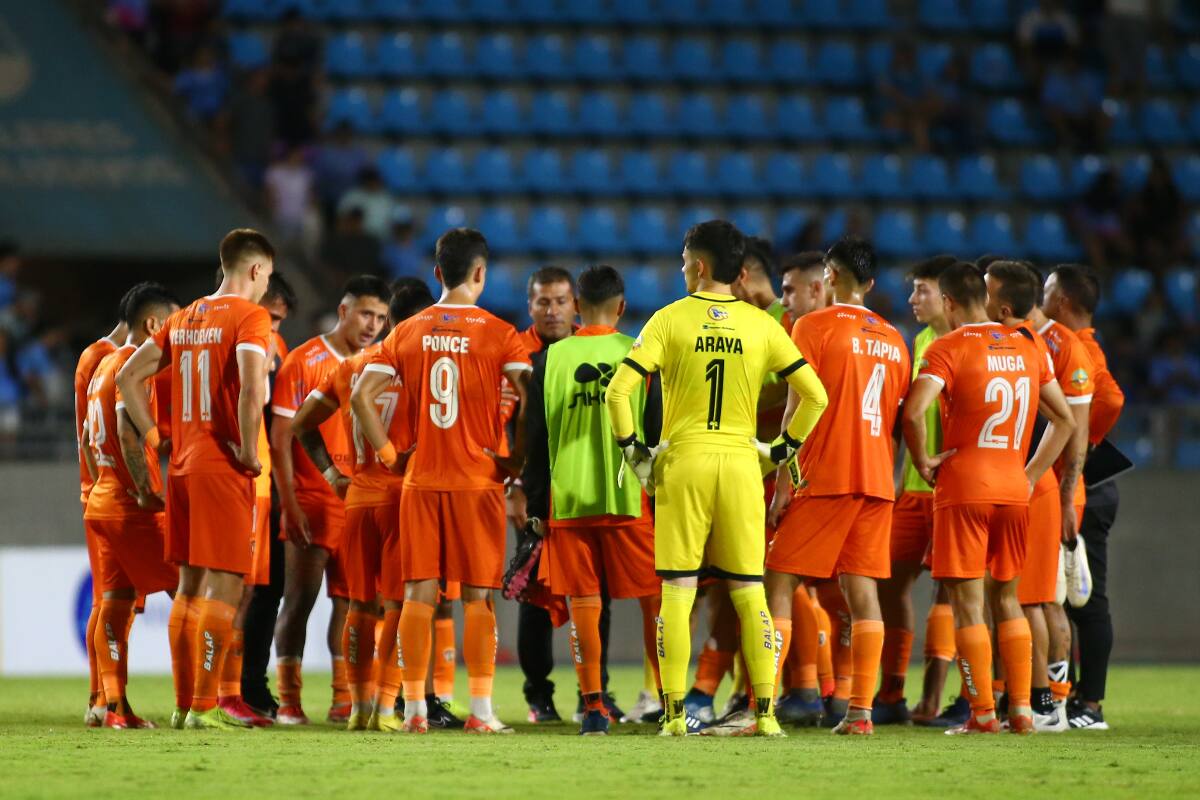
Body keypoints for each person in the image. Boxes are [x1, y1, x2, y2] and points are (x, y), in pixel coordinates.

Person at [604, 219, 828, 737]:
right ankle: (767, 715)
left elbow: (619, 393)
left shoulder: (668, 319)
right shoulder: (763, 325)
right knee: (750, 592)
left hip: (685, 463)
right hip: (742, 466)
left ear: (699, 266)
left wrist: (636, 455)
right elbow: (815, 395)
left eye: (685, 263)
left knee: (678, 592)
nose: (683, 271)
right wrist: (781, 451)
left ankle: (675, 717)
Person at [352, 227, 533, 734]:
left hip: (421, 481)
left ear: (437, 273)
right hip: (477, 480)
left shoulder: (406, 331)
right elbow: (529, 394)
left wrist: (390, 455)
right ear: (480, 273)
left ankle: (411, 712)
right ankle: (479, 712)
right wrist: (515, 458)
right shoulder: (500, 332)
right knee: (477, 598)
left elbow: (361, 397)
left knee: (417, 595)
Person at [901, 262, 1074, 735]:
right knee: (1009, 600)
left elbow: (914, 412)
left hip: (964, 488)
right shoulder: (1026, 345)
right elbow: (1065, 421)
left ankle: (981, 714)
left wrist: (923, 461)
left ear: (950, 302)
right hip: (1013, 491)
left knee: (968, 605)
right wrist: (1030, 474)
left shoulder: (947, 347)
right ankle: (1021, 711)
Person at [117, 228, 275, 729]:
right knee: (225, 586)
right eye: (267, 275)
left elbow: (127, 379)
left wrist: (157, 438)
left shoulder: (184, 316)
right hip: (221, 469)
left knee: (188, 590)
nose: (267, 285)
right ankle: (206, 705)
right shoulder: (250, 317)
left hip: (183, 468)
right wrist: (250, 453)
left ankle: (186, 703)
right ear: (255, 270)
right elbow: (252, 391)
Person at [764, 236, 911, 737]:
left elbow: (795, 406)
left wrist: (783, 483)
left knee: (778, 580)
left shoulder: (812, 325)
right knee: (862, 590)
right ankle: (861, 712)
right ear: (870, 283)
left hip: (825, 474)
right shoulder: (895, 338)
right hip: (877, 478)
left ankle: (764, 708)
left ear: (829, 276)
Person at [293, 278, 443, 732]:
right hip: (403, 498)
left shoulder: (352, 367)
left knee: (358, 605)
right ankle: (385, 705)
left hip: (356, 498)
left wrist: (332, 474)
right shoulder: (425, 368)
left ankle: (357, 707)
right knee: (398, 606)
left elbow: (301, 425)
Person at [523, 265, 663, 736]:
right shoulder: (641, 355)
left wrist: (538, 507)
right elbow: (658, 432)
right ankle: (670, 702)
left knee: (585, 603)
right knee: (656, 599)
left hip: (570, 499)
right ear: (622, 307)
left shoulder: (549, 359)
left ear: (577, 307)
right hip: (631, 498)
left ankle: (593, 707)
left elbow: (536, 441)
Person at [270, 275, 390, 726]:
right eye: (365, 314)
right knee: (298, 600)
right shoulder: (304, 361)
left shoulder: (382, 363)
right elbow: (284, 437)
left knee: (352, 601)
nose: (372, 324)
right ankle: (289, 700)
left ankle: (344, 698)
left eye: (380, 317)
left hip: (359, 500)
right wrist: (293, 502)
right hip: (312, 500)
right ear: (343, 311)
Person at [984, 261, 1093, 733]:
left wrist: (1058, 491)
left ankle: (1050, 701)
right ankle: (1029, 698)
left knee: (1038, 599)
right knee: (1023, 597)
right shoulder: (1020, 342)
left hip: (1043, 487)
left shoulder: (1057, 346)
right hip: (1020, 484)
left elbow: (1075, 428)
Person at [82, 282, 181, 728]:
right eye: (173, 326)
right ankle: (203, 700)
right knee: (191, 592)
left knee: (114, 602)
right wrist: (143, 489)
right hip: (129, 504)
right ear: (154, 325)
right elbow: (125, 429)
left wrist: (104, 478)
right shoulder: (131, 367)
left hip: (101, 497)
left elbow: (87, 439)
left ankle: (114, 706)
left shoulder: (103, 364)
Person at [873, 255, 964, 728]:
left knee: (951, 594)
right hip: (912, 488)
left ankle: (940, 697)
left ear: (947, 297)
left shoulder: (965, 345)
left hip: (951, 488)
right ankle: (891, 692)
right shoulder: (921, 342)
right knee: (891, 585)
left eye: (921, 290)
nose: (912, 299)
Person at [504, 266, 591, 724]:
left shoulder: (592, 348)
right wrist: (515, 488)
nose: (552, 310)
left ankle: (594, 693)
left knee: (593, 593)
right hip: (536, 493)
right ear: (530, 305)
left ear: (575, 304)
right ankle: (539, 694)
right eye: (543, 302)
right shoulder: (514, 352)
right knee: (536, 597)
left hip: (585, 491)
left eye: (560, 301)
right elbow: (503, 424)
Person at [1044, 264, 1125, 730]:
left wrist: (1085, 442)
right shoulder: (1074, 344)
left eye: (1050, 288)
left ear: (1065, 302)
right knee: (1064, 599)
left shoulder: (1082, 349)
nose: (1044, 292)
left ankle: (1090, 705)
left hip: (1085, 490)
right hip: (1080, 487)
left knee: (1085, 602)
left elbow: (1112, 400)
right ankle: (1074, 697)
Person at [240, 273, 296, 717]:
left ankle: (246, 685)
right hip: (244, 479)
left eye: (279, 323)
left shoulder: (275, 347)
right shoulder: (247, 341)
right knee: (237, 591)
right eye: (271, 319)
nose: (274, 331)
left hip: (264, 481)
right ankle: (228, 689)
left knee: (265, 589)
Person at [74, 297, 130, 726]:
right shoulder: (108, 359)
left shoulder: (94, 355)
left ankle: (103, 698)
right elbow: (95, 436)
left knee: (110, 599)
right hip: (111, 491)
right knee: (114, 599)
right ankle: (107, 699)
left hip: (99, 489)